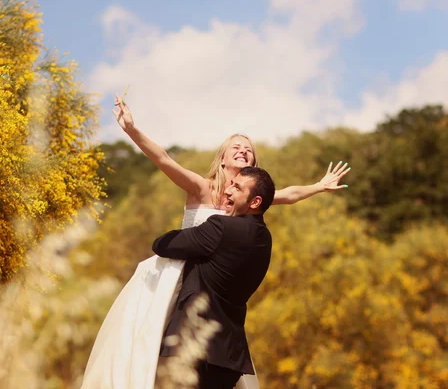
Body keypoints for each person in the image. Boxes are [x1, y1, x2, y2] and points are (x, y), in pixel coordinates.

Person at [81, 95, 350, 389]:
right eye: (235, 147)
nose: (242, 151)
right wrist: (131, 129)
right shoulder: (201, 188)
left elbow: (289, 194)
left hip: (212, 292)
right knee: (145, 354)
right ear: (222, 158)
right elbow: (163, 159)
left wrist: (319, 186)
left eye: (248, 150)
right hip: (175, 278)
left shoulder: (252, 202)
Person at [153, 166, 275, 389]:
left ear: (255, 202)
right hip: (230, 354)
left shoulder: (221, 227)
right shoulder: (266, 239)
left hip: (197, 347)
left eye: (237, 188)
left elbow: (162, 245)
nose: (228, 190)